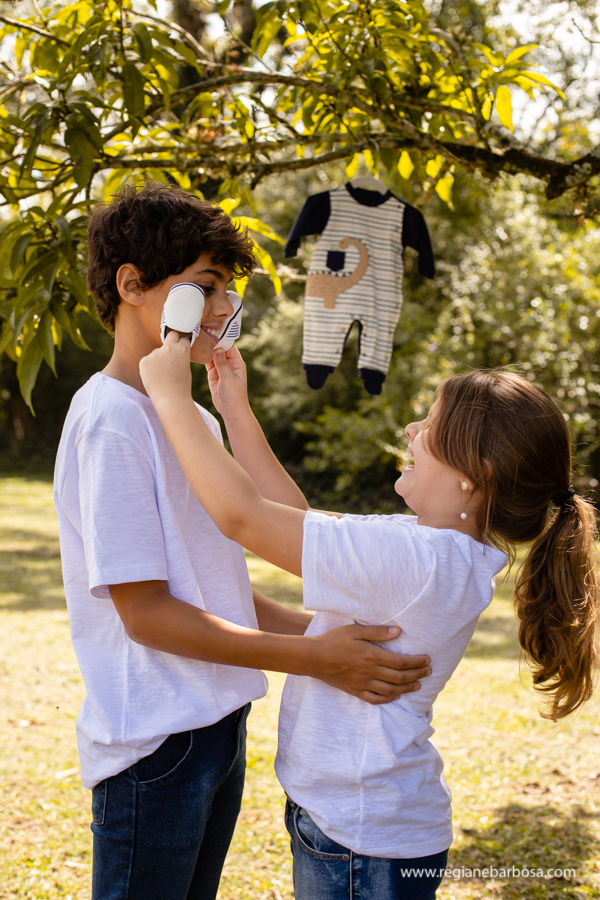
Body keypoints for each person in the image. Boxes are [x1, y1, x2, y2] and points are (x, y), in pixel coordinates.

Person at [53, 182, 432, 900]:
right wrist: (312, 657)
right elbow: (147, 613)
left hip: (217, 727)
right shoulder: (111, 420)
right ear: (132, 285)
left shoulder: (188, 414)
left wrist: (335, 634)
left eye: (228, 291)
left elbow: (255, 542)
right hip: (156, 748)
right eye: (205, 288)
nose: (226, 310)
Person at [139, 338, 599, 900]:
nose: (411, 430)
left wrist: (170, 397)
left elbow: (244, 518)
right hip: (368, 825)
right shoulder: (438, 548)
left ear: (472, 475)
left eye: (429, 424)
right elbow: (298, 519)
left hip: (361, 841)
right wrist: (233, 405)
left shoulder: (419, 560)